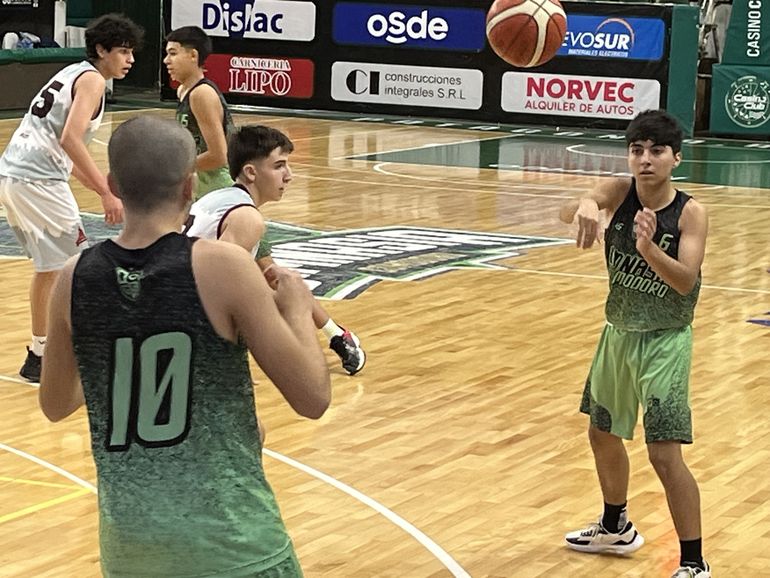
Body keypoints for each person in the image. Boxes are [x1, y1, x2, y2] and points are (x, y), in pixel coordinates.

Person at [38, 116, 331, 577]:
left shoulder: (74, 277)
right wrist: (296, 310)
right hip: (233, 547)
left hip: (131, 554)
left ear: (113, 184)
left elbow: (55, 405)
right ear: (190, 187)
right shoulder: (224, 267)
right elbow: (313, 397)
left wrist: (112, 352)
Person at [560, 110, 711, 578]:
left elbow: (685, 281)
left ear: (675, 158)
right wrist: (586, 204)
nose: (645, 159)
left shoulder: (690, 212)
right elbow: (568, 211)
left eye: (656, 151)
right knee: (601, 432)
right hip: (618, 333)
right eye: (637, 150)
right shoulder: (619, 192)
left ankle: (694, 562)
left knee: (663, 453)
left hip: (666, 340)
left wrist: (649, 249)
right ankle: (615, 526)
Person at [0, 14, 144, 382]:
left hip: (14, 176)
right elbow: (69, 140)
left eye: (132, 52)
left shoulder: (71, 72)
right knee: (79, 268)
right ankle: (81, 351)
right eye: (123, 51)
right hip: (38, 180)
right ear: (102, 50)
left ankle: (40, 355)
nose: (130, 59)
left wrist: (99, 187)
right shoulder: (92, 80)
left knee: (50, 269)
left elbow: (63, 148)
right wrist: (106, 193)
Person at [184, 124, 367, 375]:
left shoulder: (220, 198)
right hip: (181, 317)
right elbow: (215, 287)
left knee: (276, 279)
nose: (289, 176)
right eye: (279, 166)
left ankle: (337, 335)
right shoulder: (246, 218)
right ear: (251, 172)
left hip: (168, 302)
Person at [164, 25, 234, 198]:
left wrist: (176, 169)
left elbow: (219, 156)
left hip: (218, 187)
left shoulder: (201, 94)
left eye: (173, 53)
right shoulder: (183, 90)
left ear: (193, 55)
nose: (166, 60)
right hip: (199, 184)